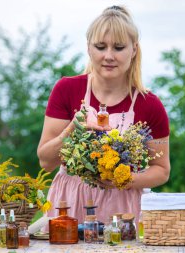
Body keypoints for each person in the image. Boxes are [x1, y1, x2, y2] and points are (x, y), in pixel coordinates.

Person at [37, 5, 170, 226]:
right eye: (100, 47)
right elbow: (45, 162)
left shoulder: (150, 105)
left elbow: (162, 171)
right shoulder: (66, 89)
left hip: (123, 209)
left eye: (118, 47)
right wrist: (72, 131)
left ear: (134, 49)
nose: (108, 56)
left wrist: (123, 179)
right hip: (69, 203)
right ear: (89, 48)